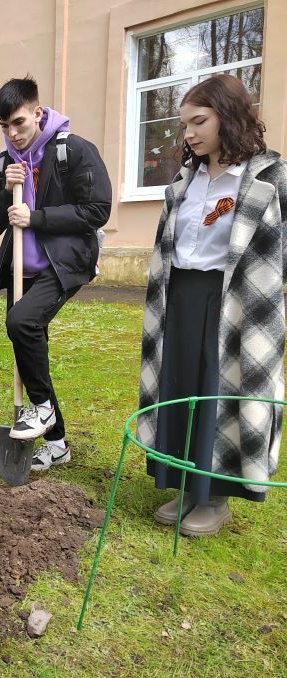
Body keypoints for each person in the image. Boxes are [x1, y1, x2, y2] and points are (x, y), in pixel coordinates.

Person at [138, 74, 287, 537]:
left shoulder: (269, 176)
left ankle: (216, 496)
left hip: (238, 302)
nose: (189, 134)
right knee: (179, 385)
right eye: (184, 125)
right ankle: (185, 483)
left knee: (223, 388)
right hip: (179, 297)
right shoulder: (187, 178)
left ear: (230, 114)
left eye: (199, 121)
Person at [0, 76, 112, 472]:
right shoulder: (2, 164)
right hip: (23, 268)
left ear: (37, 113)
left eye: (19, 122)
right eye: (4, 127)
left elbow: (96, 210)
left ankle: (41, 409)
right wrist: (5, 192)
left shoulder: (73, 151)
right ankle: (56, 442)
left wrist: (34, 217)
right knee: (28, 345)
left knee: (21, 321)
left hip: (64, 263)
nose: (13, 133)